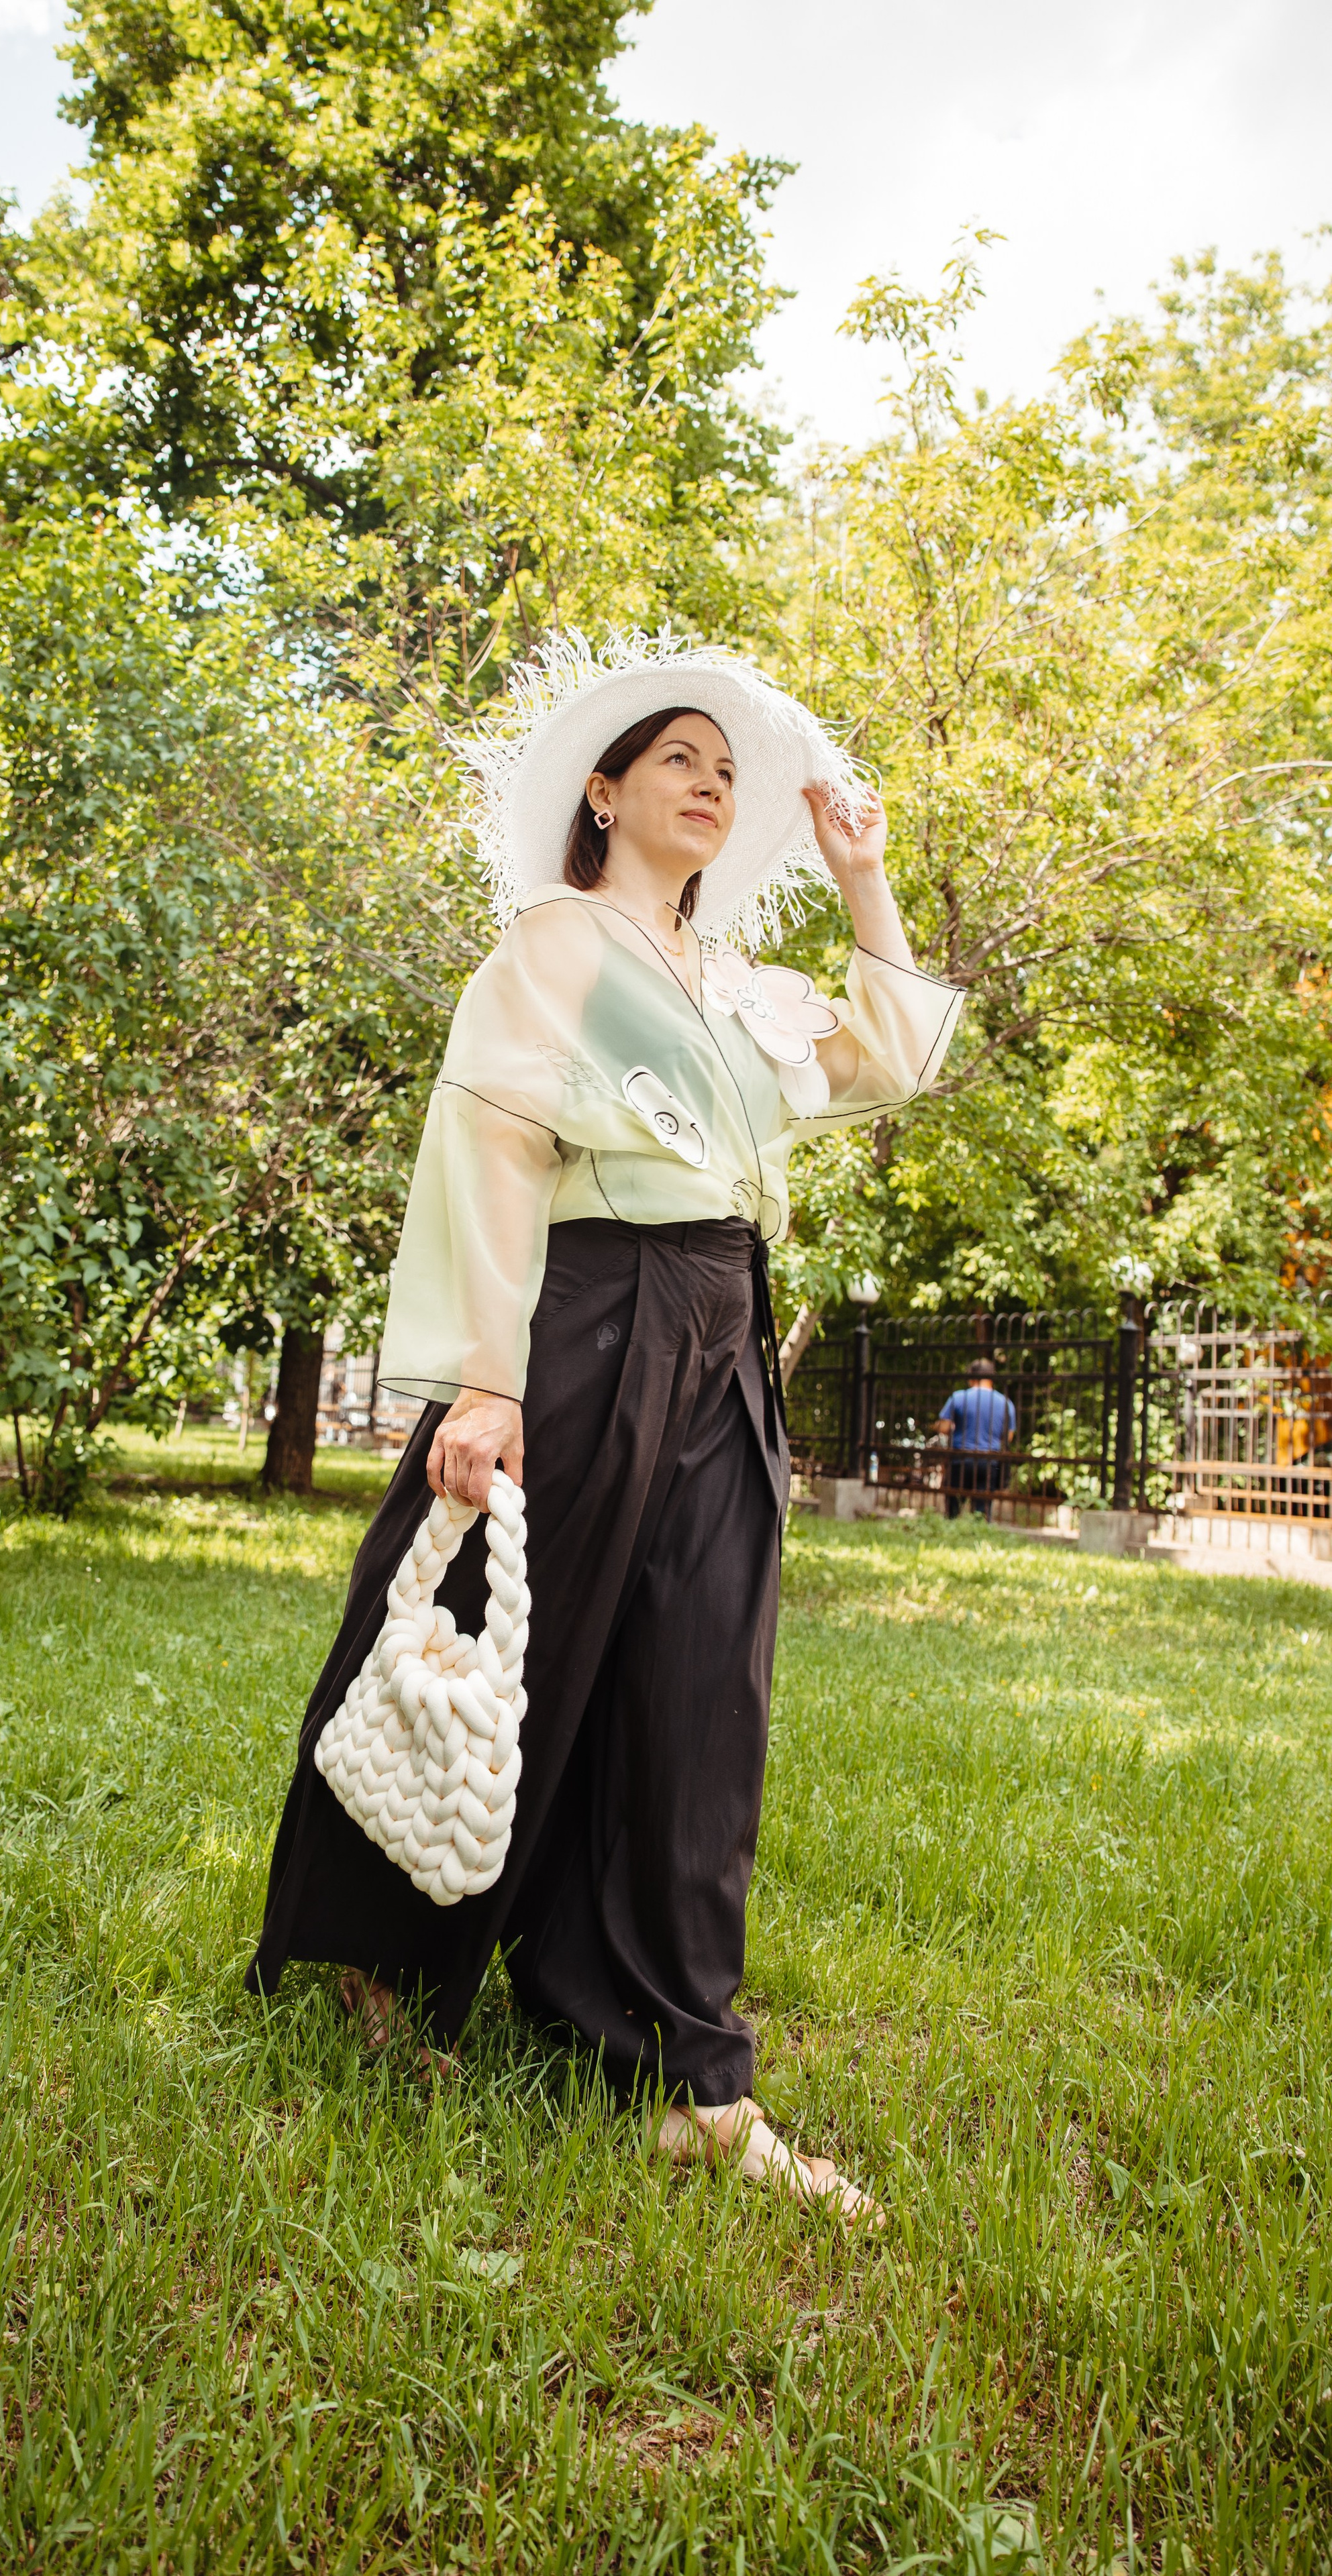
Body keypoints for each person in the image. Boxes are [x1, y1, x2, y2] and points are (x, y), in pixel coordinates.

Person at [246, 639, 963, 2220]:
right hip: (578, 1312)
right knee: (489, 1636)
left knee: (702, 1682)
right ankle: (377, 1962)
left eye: (728, 771)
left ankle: (669, 2063)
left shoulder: (735, 988)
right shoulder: (555, 945)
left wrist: (862, 878)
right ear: (604, 787)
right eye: (678, 760)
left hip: (717, 1318)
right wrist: (483, 1379)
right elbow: (497, 1138)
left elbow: (889, 1065)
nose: (711, 785)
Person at [935, 1357, 1015, 1521]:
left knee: (954, 1506)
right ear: (992, 1379)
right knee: (982, 1508)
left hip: (961, 1458)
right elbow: (1009, 1437)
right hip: (989, 1460)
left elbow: (943, 1428)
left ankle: (950, 1528)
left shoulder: (959, 1397)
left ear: (971, 1378)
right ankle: (979, 1531)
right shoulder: (1006, 1403)